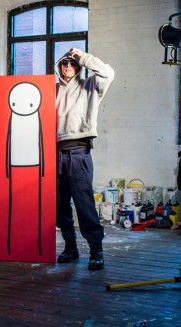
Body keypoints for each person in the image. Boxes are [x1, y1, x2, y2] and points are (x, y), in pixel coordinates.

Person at [54, 47, 115, 270]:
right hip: (54, 153)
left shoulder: (90, 86)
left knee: (84, 205)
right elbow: (24, 100)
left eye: (73, 63)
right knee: (59, 206)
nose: (68, 66)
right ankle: (70, 247)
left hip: (79, 152)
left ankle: (96, 250)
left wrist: (82, 56)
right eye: (65, 62)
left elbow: (108, 73)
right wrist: (2, 93)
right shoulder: (51, 90)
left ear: (79, 66)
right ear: (59, 66)